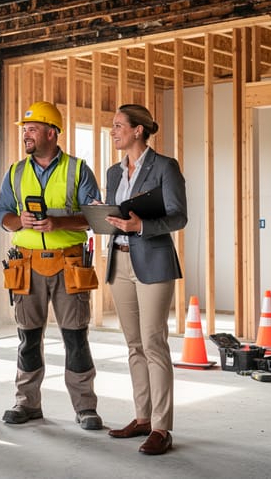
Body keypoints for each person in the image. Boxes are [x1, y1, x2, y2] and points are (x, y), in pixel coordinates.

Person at [0, 101, 103, 431]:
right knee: (28, 338)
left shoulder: (78, 169)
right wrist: (20, 221)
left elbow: (94, 216)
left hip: (69, 263)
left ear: (52, 133)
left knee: (75, 338)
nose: (25, 135)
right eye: (24, 130)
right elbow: (3, 216)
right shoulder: (15, 171)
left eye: (32, 129)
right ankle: (27, 403)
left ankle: (85, 407)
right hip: (26, 264)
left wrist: (59, 224)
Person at [102, 104, 187, 455]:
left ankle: (161, 427)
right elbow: (114, 214)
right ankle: (142, 418)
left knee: (153, 342)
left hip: (153, 260)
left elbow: (179, 217)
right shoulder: (113, 172)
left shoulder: (165, 167)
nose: (113, 131)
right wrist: (103, 216)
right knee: (133, 344)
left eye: (118, 125)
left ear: (138, 130)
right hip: (119, 260)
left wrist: (142, 226)